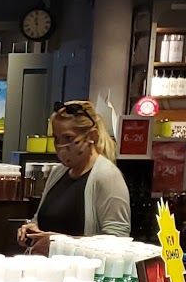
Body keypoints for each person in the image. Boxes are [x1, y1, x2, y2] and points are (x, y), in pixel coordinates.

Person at [17, 99, 131, 254]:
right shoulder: (58, 173)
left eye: (68, 138)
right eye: (56, 139)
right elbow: (41, 220)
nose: (60, 146)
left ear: (91, 136)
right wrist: (32, 229)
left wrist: (59, 243)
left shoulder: (107, 177)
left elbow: (117, 240)